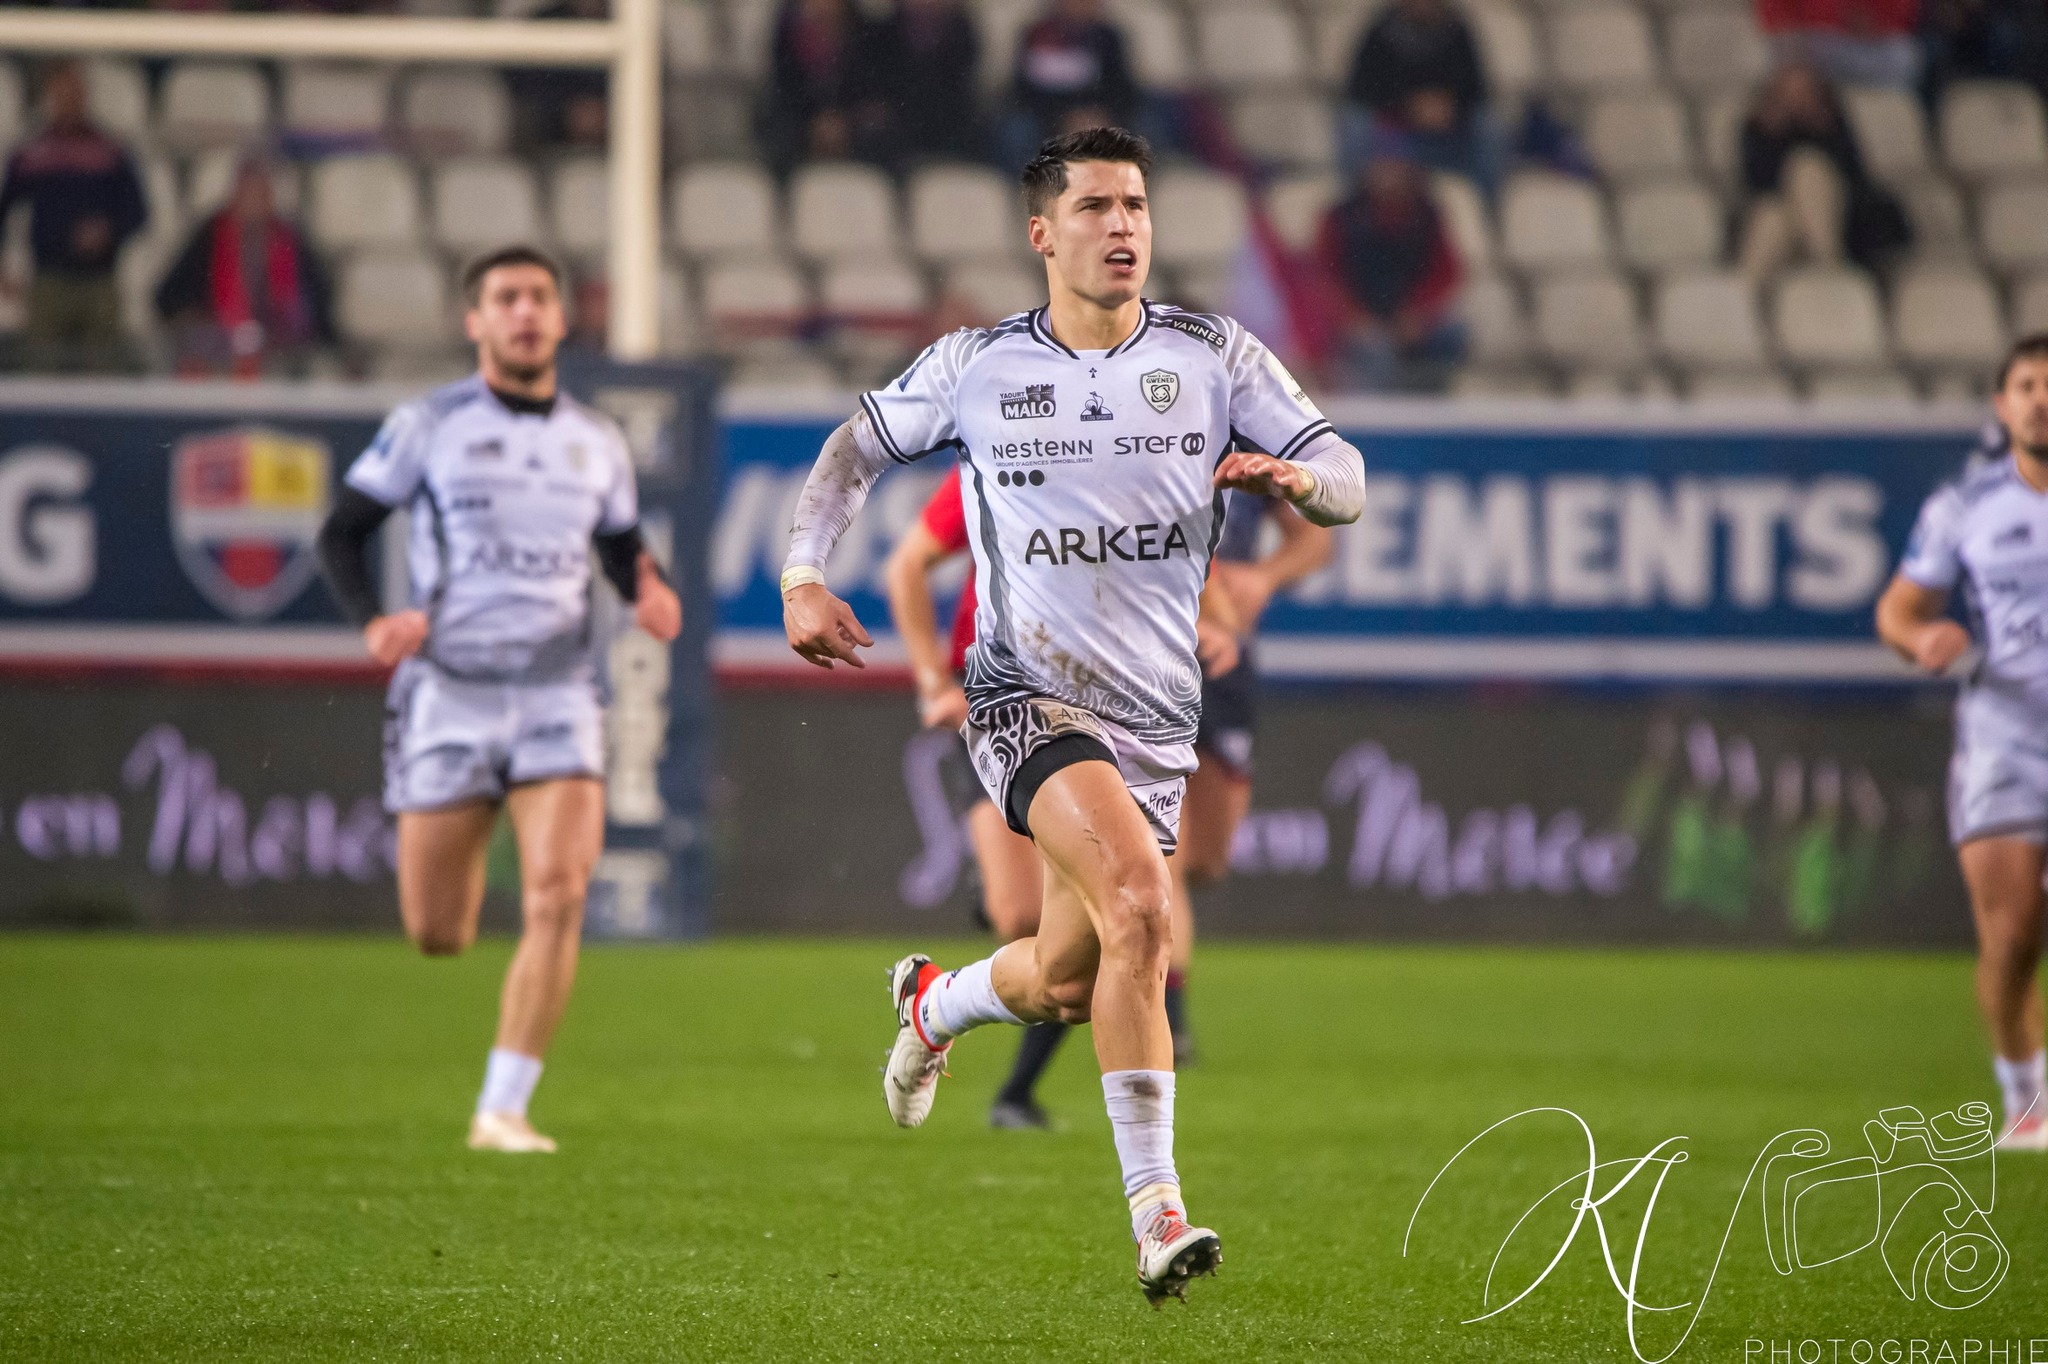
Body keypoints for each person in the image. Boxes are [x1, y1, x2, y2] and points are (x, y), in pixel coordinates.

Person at [778, 126, 1366, 1300]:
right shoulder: (978, 364)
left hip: (1153, 723)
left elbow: (1345, 472)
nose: (1123, 226)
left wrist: (1300, 481)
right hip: (1019, 697)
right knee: (1146, 908)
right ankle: (1158, 1217)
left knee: (1061, 973)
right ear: (1042, 233)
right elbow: (851, 451)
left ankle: (933, 1000)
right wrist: (802, 572)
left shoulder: (1212, 354)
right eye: (1095, 206)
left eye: (1136, 205)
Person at [313, 245, 682, 1154]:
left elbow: (619, 543)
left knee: (560, 893)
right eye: (506, 299)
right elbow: (341, 532)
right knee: (439, 931)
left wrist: (649, 588)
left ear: (561, 319)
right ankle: (494, 1073)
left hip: (559, 691)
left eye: (539, 298)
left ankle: (503, 1106)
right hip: (451, 693)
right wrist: (373, 624)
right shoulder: (428, 423)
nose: (525, 313)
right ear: (475, 320)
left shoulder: (596, 440)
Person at [885, 465, 1242, 1123]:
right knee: (1022, 917)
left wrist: (1214, 624)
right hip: (1000, 704)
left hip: (1109, 715)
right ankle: (1151, 1200)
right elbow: (907, 566)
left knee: (1077, 965)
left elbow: (1186, 572)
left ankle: (981, 1055)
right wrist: (930, 683)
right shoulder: (996, 459)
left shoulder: (1143, 457)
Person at [1875, 332, 2048, 1153]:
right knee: (2014, 936)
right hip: (2005, 740)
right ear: (2001, 404)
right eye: (2026, 385)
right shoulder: (1966, 506)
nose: (2040, 399)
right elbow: (1897, 610)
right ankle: (2028, 1101)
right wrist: (1921, 640)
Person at [1165, 482, 1332, 1065]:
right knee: (1169, 858)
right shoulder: (1136, 427)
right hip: (1153, 650)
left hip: (1226, 657)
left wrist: (1264, 577)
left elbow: (1315, 537)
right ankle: (1169, 1022)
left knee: (1208, 860)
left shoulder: (1245, 444)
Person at [0, 59, 147, 375]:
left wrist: (108, 231)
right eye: (61, 93)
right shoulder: (32, 152)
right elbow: (4, 210)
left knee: (102, 372)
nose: (69, 100)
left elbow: (138, 212)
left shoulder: (109, 151)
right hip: (48, 281)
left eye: (75, 92)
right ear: (50, 97)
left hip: (100, 281)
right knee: (41, 369)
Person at [154, 158, 334, 380]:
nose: (254, 202)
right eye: (248, 193)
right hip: (219, 345)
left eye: (261, 193)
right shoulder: (210, 236)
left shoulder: (288, 238)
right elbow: (169, 296)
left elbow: (318, 299)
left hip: (276, 348)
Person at [1317, 131, 1467, 395]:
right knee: (1375, 350)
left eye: (1396, 167)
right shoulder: (1341, 217)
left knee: (1453, 333)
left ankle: (1431, 411)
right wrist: (1353, 317)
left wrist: (1419, 314)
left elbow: (1447, 273)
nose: (1389, 175)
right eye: (1382, 166)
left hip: (1409, 318)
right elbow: (1323, 276)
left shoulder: (1427, 216)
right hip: (1360, 319)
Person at [1734, 61, 1911, 283]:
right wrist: (1771, 133)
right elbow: (1759, 184)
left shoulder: (1832, 125)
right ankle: (1743, 296)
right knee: (1773, 215)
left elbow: (1854, 177)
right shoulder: (1760, 129)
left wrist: (1819, 125)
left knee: (1807, 168)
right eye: (1789, 90)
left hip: (1841, 222)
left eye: (1803, 90)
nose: (1796, 97)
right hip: (1785, 224)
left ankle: (1828, 264)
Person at [1341, 0, 1505, 199]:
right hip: (1399, 138)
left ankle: (1486, 209)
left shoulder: (1457, 30)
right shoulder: (1382, 31)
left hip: (1450, 137)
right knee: (1355, 123)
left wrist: (1450, 108)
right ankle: (1357, 206)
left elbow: (1477, 90)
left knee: (1488, 127)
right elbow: (1361, 89)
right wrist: (1410, 107)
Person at [756, 0, 894, 175]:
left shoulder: (866, 35)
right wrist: (814, 123)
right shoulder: (789, 35)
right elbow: (785, 91)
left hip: (853, 123)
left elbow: (871, 90)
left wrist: (844, 121)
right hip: (803, 122)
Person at [998, 0, 1140, 170]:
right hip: (1042, 119)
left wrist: (1098, 115)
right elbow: (1022, 91)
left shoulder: (1109, 38)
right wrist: (1062, 119)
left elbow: (1120, 90)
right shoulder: (1036, 34)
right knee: (1017, 132)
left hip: (1093, 117)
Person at [1758, 0, 1922, 89]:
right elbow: (1776, 18)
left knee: (1906, 56)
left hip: (1867, 48)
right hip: (1810, 47)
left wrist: (1876, 25)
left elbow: (1900, 19)